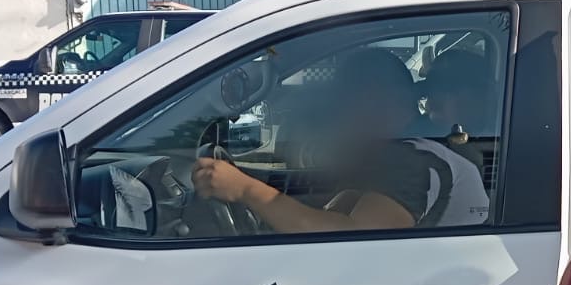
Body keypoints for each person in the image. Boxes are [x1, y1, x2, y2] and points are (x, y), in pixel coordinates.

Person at [193, 47, 489, 232]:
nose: (336, 116)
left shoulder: (414, 160)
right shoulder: (408, 152)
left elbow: (351, 239)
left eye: (343, 102)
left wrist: (245, 190)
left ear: (377, 101)